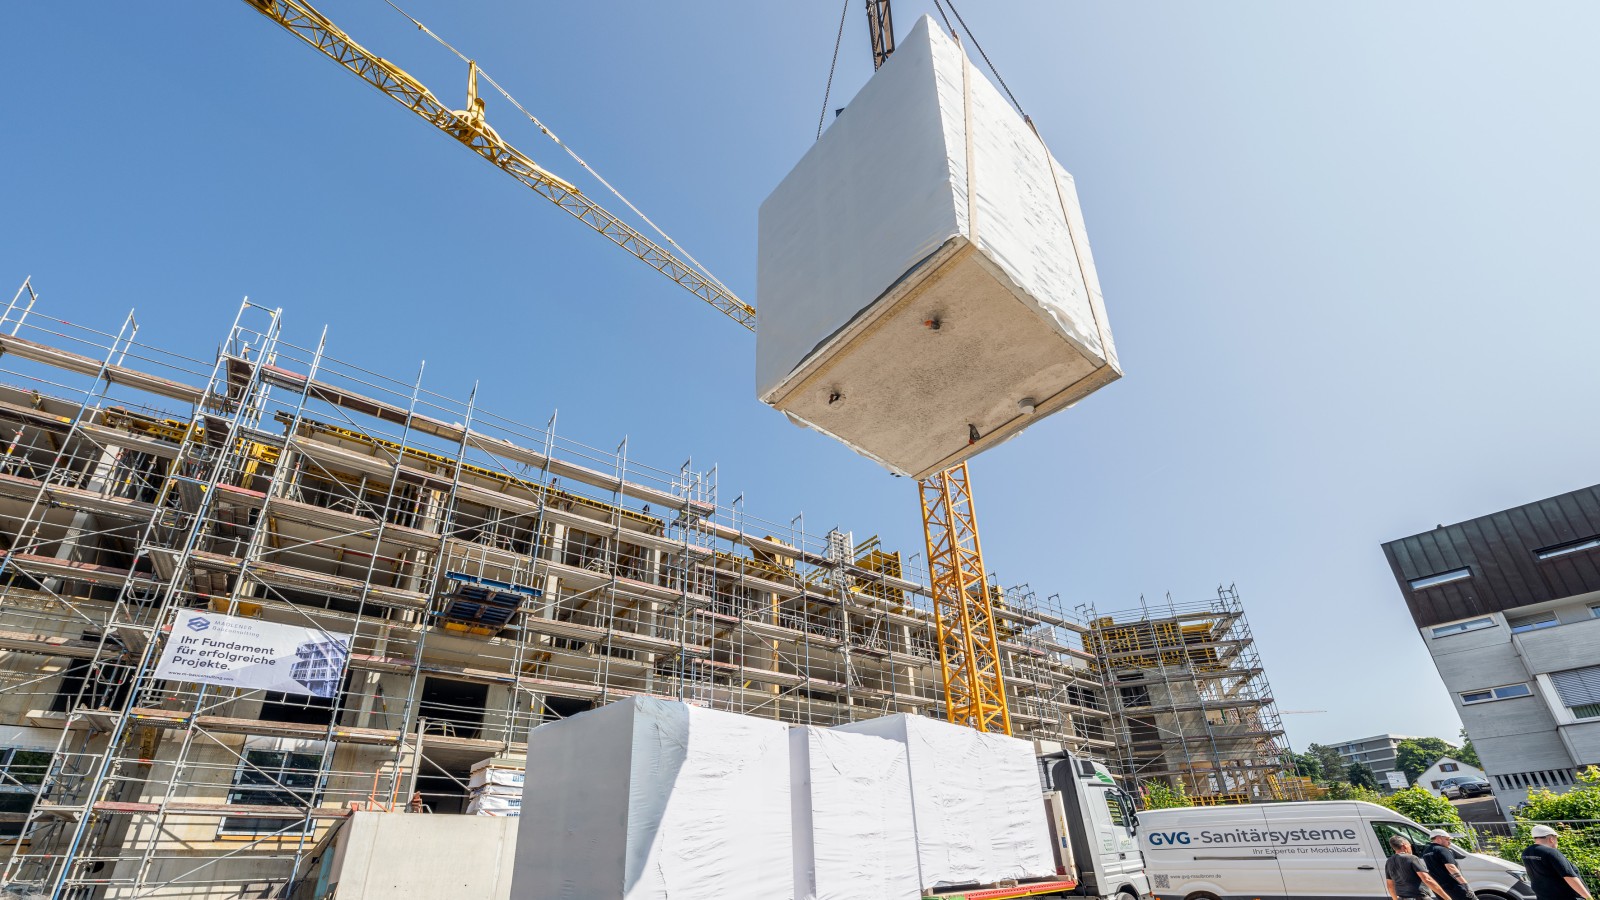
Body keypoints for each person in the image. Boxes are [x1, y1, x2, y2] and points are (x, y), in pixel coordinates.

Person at [1522, 824, 1593, 900]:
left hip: (1543, 896)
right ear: (1551, 839)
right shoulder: (1551, 852)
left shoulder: (1526, 852)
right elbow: (1569, 876)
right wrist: (1589, 898)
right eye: (1556, 838)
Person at [1419, 829, 1479, 900]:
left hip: (1440, 888)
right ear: (1439, 838)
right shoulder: (1442, 849)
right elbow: (1451, 867)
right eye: (1447, 839)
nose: (1449, 842)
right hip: (1453, 886)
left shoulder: (1426, 852)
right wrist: (1466, 885)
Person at [1387, 834, 1449, 899]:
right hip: (1419, 896)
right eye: (1410, 846)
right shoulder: (1412, 858)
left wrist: (1395, 899)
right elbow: (1427, 879)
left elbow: (1390, 885)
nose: (1411, 848)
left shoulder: (1389, 861)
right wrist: (1447, 898)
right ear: (1404, 846)